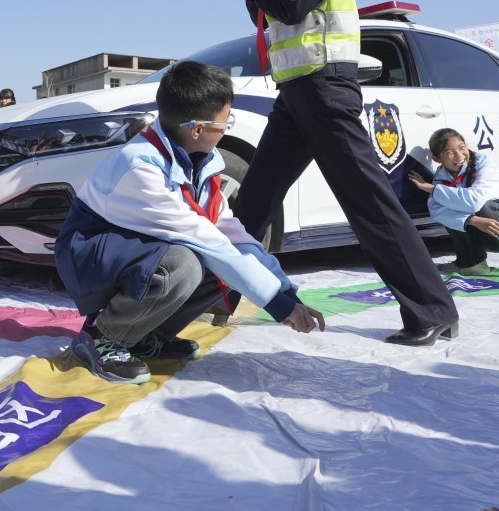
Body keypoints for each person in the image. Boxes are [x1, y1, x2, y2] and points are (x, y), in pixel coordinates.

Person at [226, 0, 458, 347]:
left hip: (325, 88)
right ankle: (212, 295)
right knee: (256, 199)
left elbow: (289, 1)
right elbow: (271, 16)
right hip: (297, 92)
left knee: (368, 203)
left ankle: (432, 311)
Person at [55, 61, 325, 384]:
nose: (226, 128)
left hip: (129, 252)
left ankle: (145, 337)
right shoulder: (141, 168)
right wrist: (278, 306)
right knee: (184, 265)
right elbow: (206, 240)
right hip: (88, 253)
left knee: (218, 271)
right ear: (197, 129)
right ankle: (102, 337)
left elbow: (232, 235)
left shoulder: (199, 166)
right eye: (225, 121)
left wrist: (286, 292)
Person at [410, 129, 499, 282]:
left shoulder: (484, 164)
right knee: (449, 206)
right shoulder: (441, 178)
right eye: (450, 152)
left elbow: (475, 201)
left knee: (483, 207)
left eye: (462, 148)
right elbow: (436, 211)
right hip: (488, 232)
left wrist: (431, 188)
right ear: (437, 158)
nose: (460, 156)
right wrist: (472, 221)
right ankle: (472, 263)